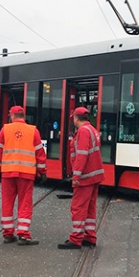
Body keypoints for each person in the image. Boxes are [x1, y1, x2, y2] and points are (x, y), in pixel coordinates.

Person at [0, 106, 46, 245]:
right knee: (25, 203)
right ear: (23, 116)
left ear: (13, 116)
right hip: (26, 173)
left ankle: (8, 233)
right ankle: (23, 234)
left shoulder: (5, 130)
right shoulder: (33, 131)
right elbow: (40, 154)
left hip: (8, 173)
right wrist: (42, 172)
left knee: (7, 202)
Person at [58, 107, 105, 249]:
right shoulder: (92, 130)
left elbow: (82, 154)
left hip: (85, 176)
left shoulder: (83, 132)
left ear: (75, 118)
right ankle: (90, 236)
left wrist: (76, 175)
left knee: (77, 207)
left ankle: (76, 238)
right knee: (90, 208)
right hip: (94, 175)